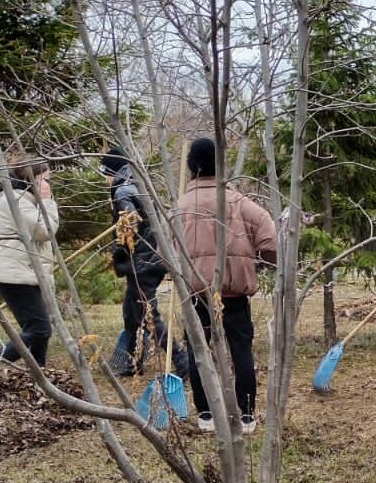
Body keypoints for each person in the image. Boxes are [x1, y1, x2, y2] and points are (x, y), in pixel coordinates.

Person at [173, 137, 277, 434]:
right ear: (221, 166)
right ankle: (245, 416)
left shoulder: (179, 206)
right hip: (233, 292)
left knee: (198, 351)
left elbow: (165, 250)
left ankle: (206, 414)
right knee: (241, 349)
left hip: (195, 293)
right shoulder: (240, 203)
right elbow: (271, 241)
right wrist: (257, 261)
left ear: (192, 167)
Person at [0, 159, 60, 367]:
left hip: (22, 274)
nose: (49, 184)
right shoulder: (14, 201)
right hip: (13, 277)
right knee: (39, 330)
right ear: (32, 180)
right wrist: (47, 201)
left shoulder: (23, 199)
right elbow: (44, 231)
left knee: (38, 331)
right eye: (45, 179)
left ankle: (40, 375)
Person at [101, 147, 168, 378]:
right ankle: (133, 363)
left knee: (149, 316)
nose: (105, 181)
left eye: (105, 175)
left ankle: (180, 359)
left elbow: (129, 230)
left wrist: (117, 253)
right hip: (148, 260)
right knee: (131, 314)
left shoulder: (122, 192)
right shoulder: (138, 183)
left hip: (142, 262)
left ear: (113, 171)